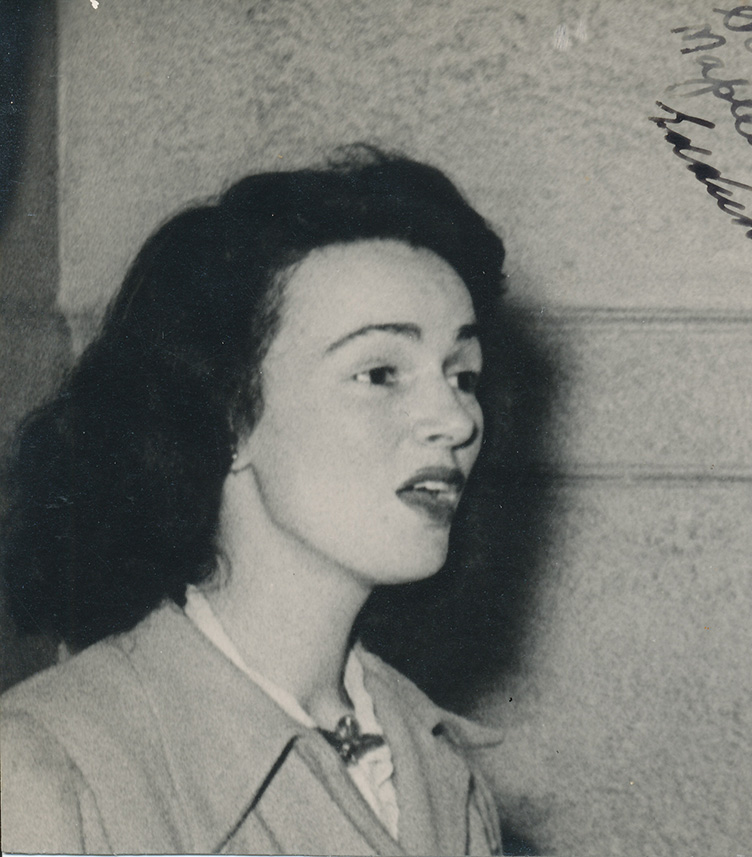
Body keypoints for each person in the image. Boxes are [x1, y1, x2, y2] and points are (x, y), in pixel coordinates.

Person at [0, 146, 508, 855]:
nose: (456, 421)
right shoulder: (46, 772)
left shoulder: (441, 769)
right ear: (226, 419)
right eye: (382, 372)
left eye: (463, 374)